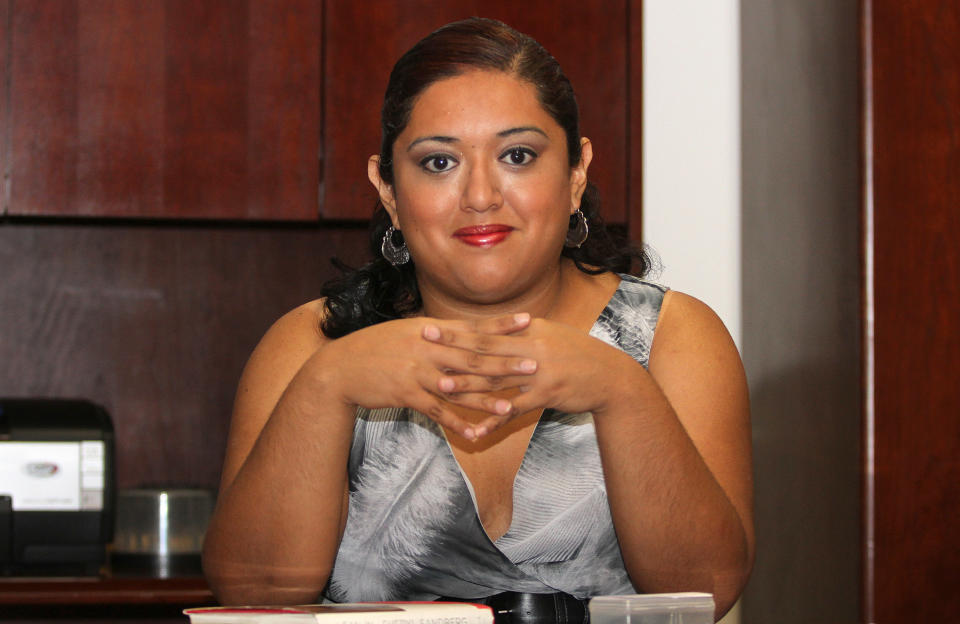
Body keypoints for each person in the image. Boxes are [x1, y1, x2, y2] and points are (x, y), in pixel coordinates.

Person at [202, 17, 754, 623]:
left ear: (576, 172)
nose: (481, 195)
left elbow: (709, 590)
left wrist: (623, 391)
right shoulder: (311, 345)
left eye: (517, 155)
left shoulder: (676, 338)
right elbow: (252, 596)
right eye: (439, 163)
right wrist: (324, 389)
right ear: (387, 188)